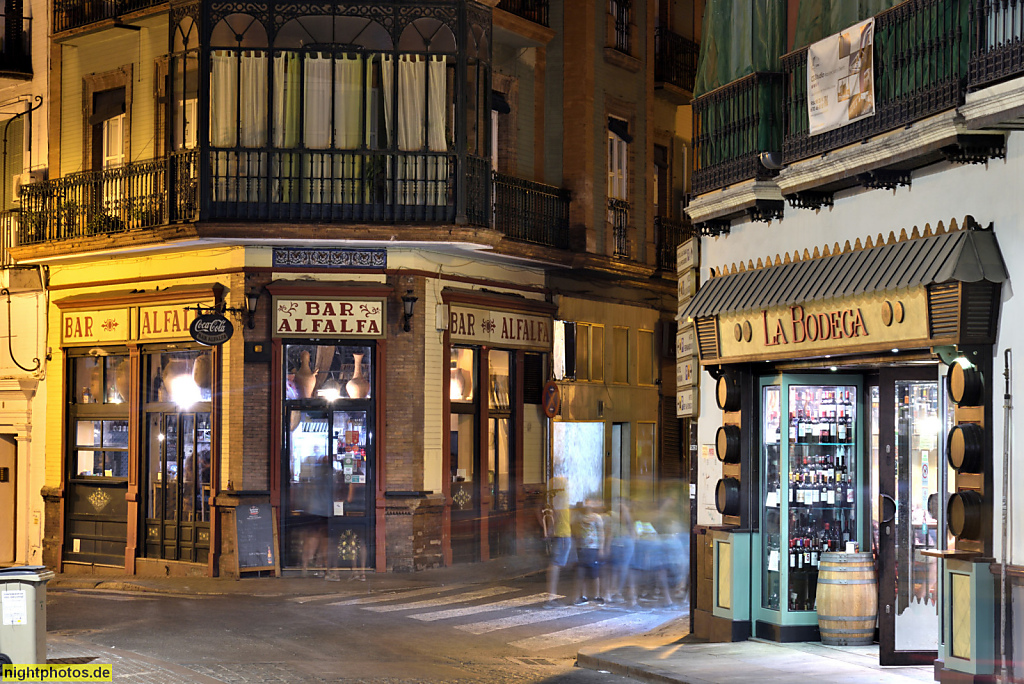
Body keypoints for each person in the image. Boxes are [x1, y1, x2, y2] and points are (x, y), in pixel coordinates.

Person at [544, 476, 572, 608]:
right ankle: (551, 598)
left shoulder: (557, 498)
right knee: (555, 565)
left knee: (556, 564)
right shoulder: (560, 499)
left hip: (562, 535)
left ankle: (552, 596)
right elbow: (554, 517)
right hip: (562, 535)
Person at [572, 497, 605, 605]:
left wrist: (601, 548)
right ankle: (583, 595)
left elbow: (601, 533)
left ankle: (596, 595)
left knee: (594, 573)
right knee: (582, 572)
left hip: (593, 548)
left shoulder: (596, 517)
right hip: (582, 548)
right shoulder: (579, 518)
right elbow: (576, 532)